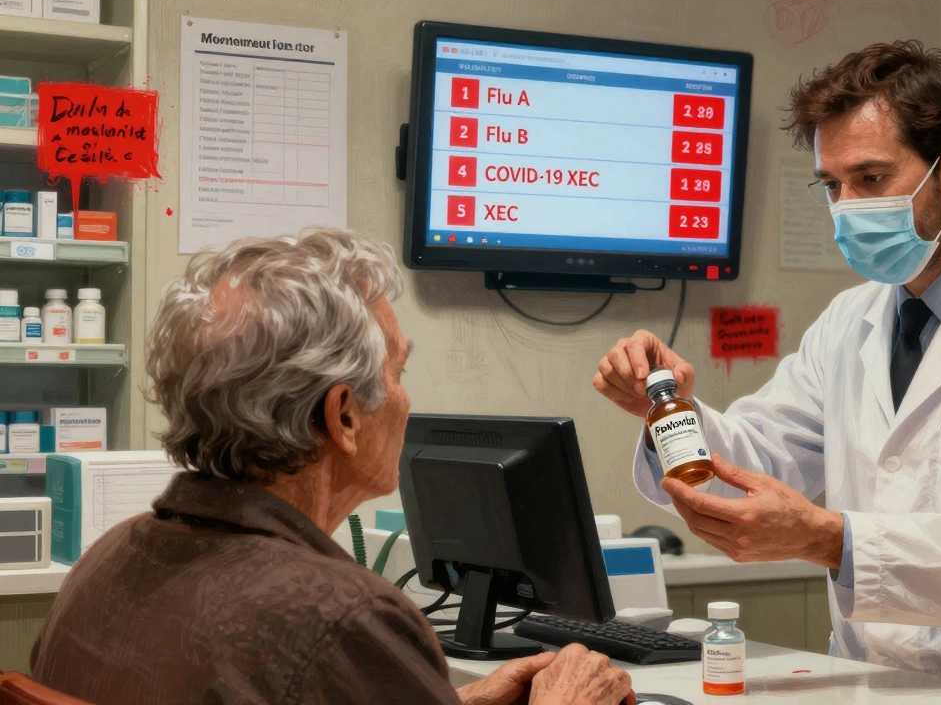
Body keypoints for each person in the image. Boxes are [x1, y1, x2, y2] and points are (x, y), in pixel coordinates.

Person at [595, 41, 941, 705]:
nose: (848, 205)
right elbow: (759, 461)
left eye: (872, 178)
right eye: (832, 184)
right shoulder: (849, 321)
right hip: (875, 682)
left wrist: (829, 538)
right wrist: (668, 411)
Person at [31, 230, 635, 705]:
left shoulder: (107, 559)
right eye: (398, 372)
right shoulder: (339, 618)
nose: (405, 400)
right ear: (343, 415)